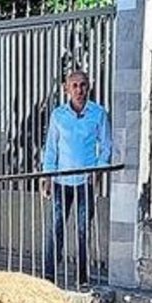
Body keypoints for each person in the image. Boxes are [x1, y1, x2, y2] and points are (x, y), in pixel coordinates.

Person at [40, 68, 112, 288]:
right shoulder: (58, 115)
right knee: (56, 228)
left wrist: (97, 172)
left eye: (82, 85)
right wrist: (47, 176)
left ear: (88, 87)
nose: (79, 90)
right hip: (61, 182)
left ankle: (82, 278)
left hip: (84, 183)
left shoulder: (98, 113)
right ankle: (49, 277)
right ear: (67, 89)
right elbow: (51, 148)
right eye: (74, 86)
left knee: (83, 230)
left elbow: (106, 146)